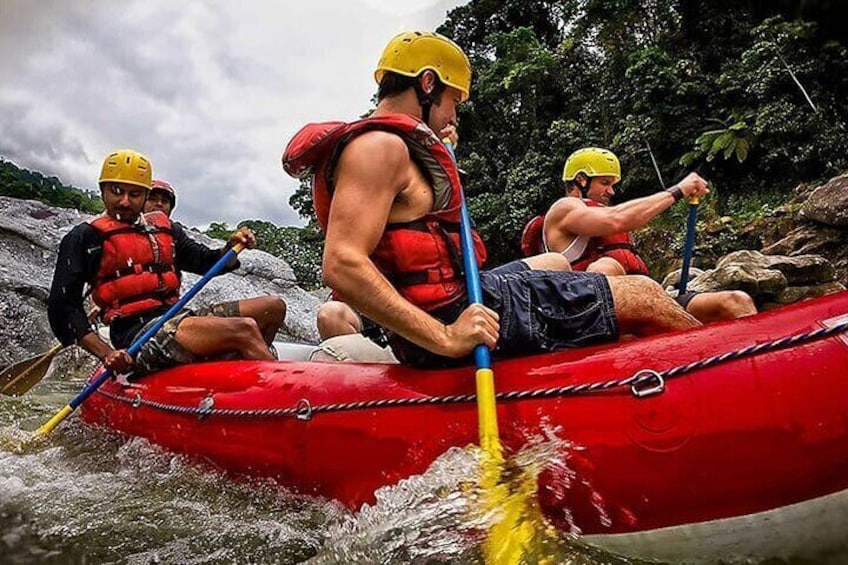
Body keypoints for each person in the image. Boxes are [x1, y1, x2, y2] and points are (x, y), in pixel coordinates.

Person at [283, 31, 700, 368]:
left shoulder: (403, 148)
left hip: (468, 293)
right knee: (643, 294)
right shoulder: (379, 148)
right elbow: (341, 265)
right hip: (450, 317)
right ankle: (720, 366)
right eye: (453, 102)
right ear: (428, 84)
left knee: (558, 264)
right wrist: (446, 338)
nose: (454, 115)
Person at [48, 149, 286, 377]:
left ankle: (244, 373)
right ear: (102, 191)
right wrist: (107, 353)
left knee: (272, 307)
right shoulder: (85, 237)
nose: (124, 201)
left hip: (175, 318)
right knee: (243, 329)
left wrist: (231, 247)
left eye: (134, 194)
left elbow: (205, 262)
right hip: (137, 336)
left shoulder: (164, 230)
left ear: (144, 196)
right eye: (116, 191)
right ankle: (279, 389)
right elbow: (63, 308)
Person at [521, 147, 757, 323]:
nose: (611, 191)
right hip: (599, 313)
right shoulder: (564, 208)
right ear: (581, 180)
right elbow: (617, 219)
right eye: (605, 182)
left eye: (613, 184)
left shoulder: (605, 212)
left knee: (737, 302)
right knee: (605, 268)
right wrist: (678, 191)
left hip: (649, 298)